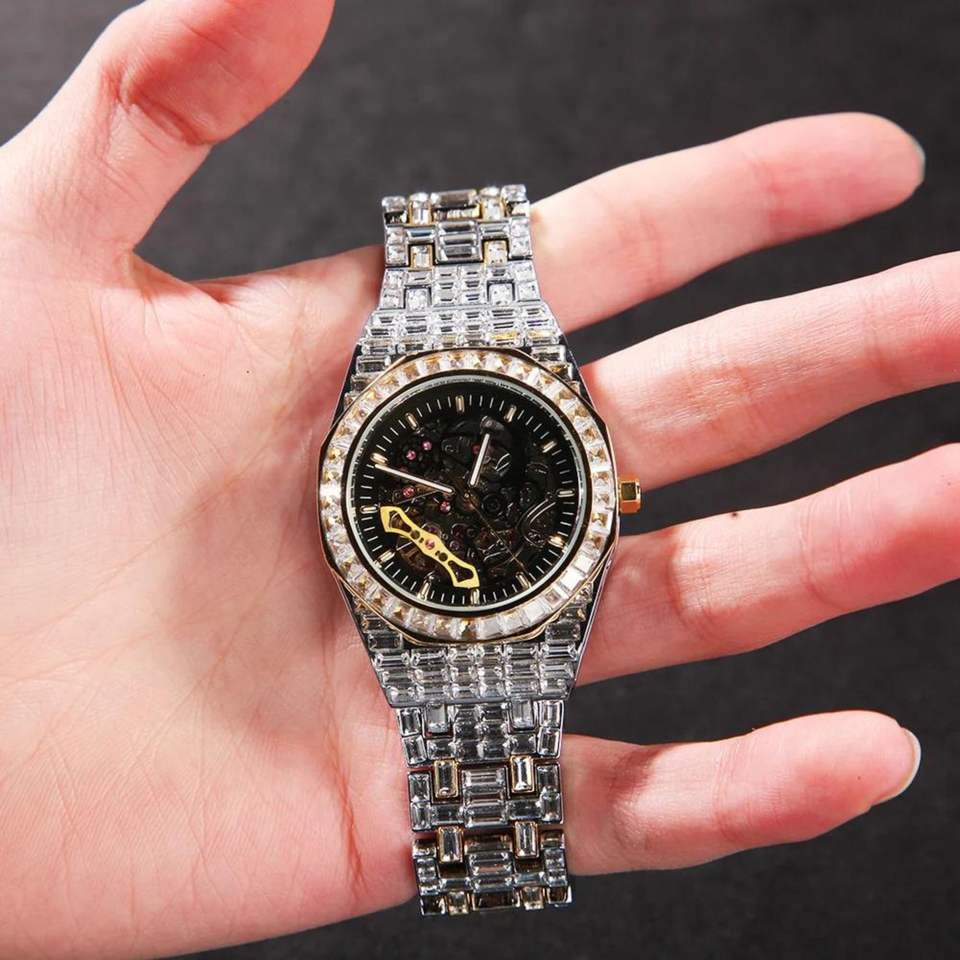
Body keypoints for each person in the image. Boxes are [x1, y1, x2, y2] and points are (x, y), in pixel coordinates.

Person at [1, 0, 953, 956]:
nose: (462, 499)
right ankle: (488, 854)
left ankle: (489, 853)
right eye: (445, 490)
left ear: (605, 502)